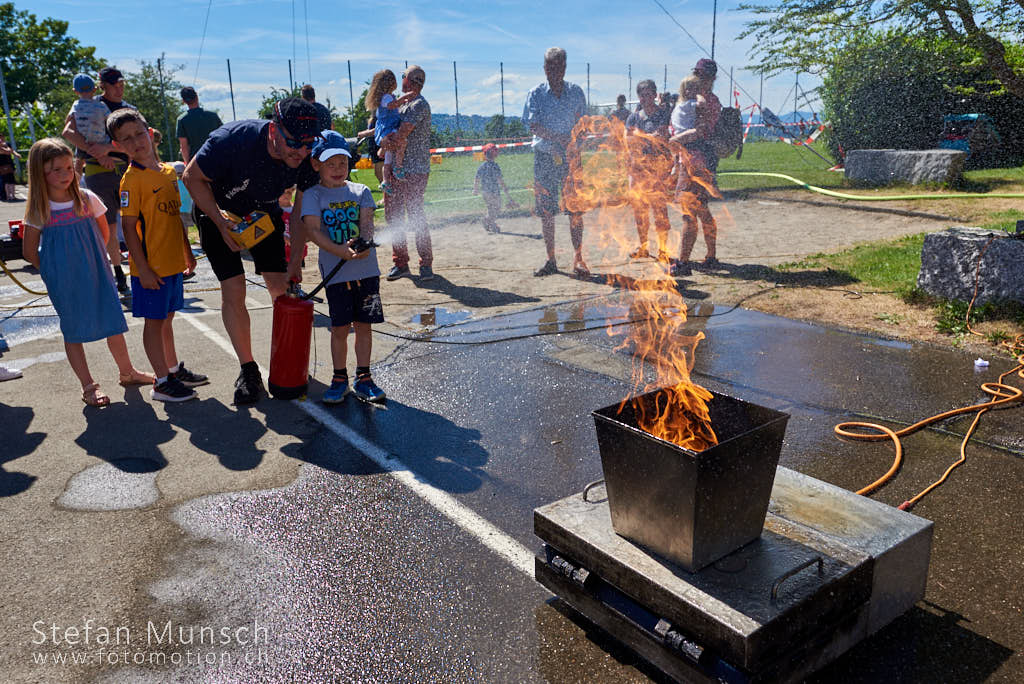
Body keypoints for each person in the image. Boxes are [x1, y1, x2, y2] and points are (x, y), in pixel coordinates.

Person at [182, 97, 321, 405]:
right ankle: (248, 370)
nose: (301, 151)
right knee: (234, 290)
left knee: (281, 287)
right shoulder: (232, 140)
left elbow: (299, 215)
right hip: (216, 211)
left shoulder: (308, 159)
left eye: (309, 144)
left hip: (262, 212)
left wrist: (295, 260)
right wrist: (220, 223)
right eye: (294, 143)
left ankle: (287, 359)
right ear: (274, 130)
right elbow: (191, 177)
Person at [21, 138, 154, 407]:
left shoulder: (86, 198)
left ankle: (127, 372)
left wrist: (97, 259)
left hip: (97, 273)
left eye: (68, 168)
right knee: (73, 330)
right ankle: (88, 385)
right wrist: (53, 271)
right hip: (64, 282)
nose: (64, 175)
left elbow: (104, 232)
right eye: (55, 170)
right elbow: (29, 251)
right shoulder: (40, 207)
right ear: (40, 172)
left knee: (112, 322)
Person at [108, 109, 205, 402]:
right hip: (151, 269)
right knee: (154, 322)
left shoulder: (166, 172)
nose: (136, 141)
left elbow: (176, 217)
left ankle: (172, 369)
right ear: (117, 147)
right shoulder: (131, 181)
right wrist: (143, 268)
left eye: (139, 133)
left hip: (173, 262)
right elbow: (128, 228)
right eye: (126, 139)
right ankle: (161, 382)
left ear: (149, 133)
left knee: (168, 318)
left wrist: (187, 251)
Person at [300, 131, 386, 404]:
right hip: (337, 278)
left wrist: (363, 243)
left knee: (364, 326)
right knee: (339, 328)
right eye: (330, 163)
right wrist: (341, 251)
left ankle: (364, 377)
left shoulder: (360, 192)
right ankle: (339, 378)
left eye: (342, 163)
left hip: (367, 273)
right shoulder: (313, 195)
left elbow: (368, 224)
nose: (338, 169)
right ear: (316, 165)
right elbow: (313, 231)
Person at [62, 66, 135, 294]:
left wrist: (106, 150)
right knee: (109, 227)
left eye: (122, 84)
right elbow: (68, 132)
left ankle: (142, 266)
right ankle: (117, 272)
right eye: (114, 84)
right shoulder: (89, 105)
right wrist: (98, 154)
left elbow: (139, 140)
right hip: (98, 173)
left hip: (126, 170)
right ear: (101, 85)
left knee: (137, 221)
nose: (119, 88)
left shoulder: (128, 109)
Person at [522, 47, 588, 278]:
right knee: (546, 210)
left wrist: (575, 140)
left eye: (559, 66)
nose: (554, 71)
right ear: (544, 68)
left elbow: (583, 124)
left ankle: (578, 258)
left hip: (571, 158)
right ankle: (551, 260)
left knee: (575, 210)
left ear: (565, 67)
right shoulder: (536, 93)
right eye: (550, 66)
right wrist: (557, 137)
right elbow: (533, 125)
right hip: (545, 157)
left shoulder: (576, 92)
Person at [670, 59, 722, 276]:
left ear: (711, 79)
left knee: (689, 211)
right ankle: (711, 256)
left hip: (696, 160)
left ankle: (683, 263)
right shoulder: (695, 100)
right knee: (701, 210)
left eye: (701, 75)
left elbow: (700, 131)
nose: (698, 78)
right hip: (694, 159)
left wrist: (676, 139)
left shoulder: (705, 102)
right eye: (696, 74)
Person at [384, 65, 434, 282]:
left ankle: (426, 264)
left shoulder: (418, 105)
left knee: (415, 216)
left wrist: (382, 142)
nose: (400, 79)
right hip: (398, 169)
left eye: (402, 76)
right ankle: (401, 263)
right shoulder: (403, 103)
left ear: (410, 81)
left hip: (413, 171)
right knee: (393, 216)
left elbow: (401, 134)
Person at [624, 79, 672, 261]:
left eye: (648, 94)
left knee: (659, 210)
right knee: (640, 211)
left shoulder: (663, 115)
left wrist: (640, 137)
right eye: (642, 95)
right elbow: (628, 141)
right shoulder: (633, 117)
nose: (645, 98)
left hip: (657, 170)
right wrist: (648, 137)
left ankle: (663, 249)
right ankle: (643, 246)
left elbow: (662, 137)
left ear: (655, 95)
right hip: (637, 170)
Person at [365, 70, 417, 195]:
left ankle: (386, 181)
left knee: (388, 159)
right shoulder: (387, 97)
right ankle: (398, 167)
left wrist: (401, 102)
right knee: (402, 142)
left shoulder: (384, 97)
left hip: (387, 129)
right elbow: (392, 106)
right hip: (389, 128)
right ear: (390, 82)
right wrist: (404, 98)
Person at [473, 143, 516, 233]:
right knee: (497, 209)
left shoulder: (482, 166)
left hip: (485, 192)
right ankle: (488, 221)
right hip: (494, 192)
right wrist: (505, 188)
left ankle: (490, 223)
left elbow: (477, 178)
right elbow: (500, 180)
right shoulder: (495, 166)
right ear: (494, 154)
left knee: (491, 209)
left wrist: (475, 189)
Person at [176, 86, 223, 164]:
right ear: (197, 96)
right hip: (216, 158)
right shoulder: (213, 116)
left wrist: (188, 164)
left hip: (196, 163)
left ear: (183, 101)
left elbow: (184, 146)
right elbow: (223, 136)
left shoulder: (182, 120)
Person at [0, 134, 20, 201]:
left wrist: (16, 154)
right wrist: (6, 149)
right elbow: (5, 152)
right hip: (2, 165)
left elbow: (10, 151)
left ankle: (12, 196)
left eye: (2, 137)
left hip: (9, 164)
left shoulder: (7, 143)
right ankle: (7, 196)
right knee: (5, 181)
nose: (2, 138)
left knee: (11, 180)